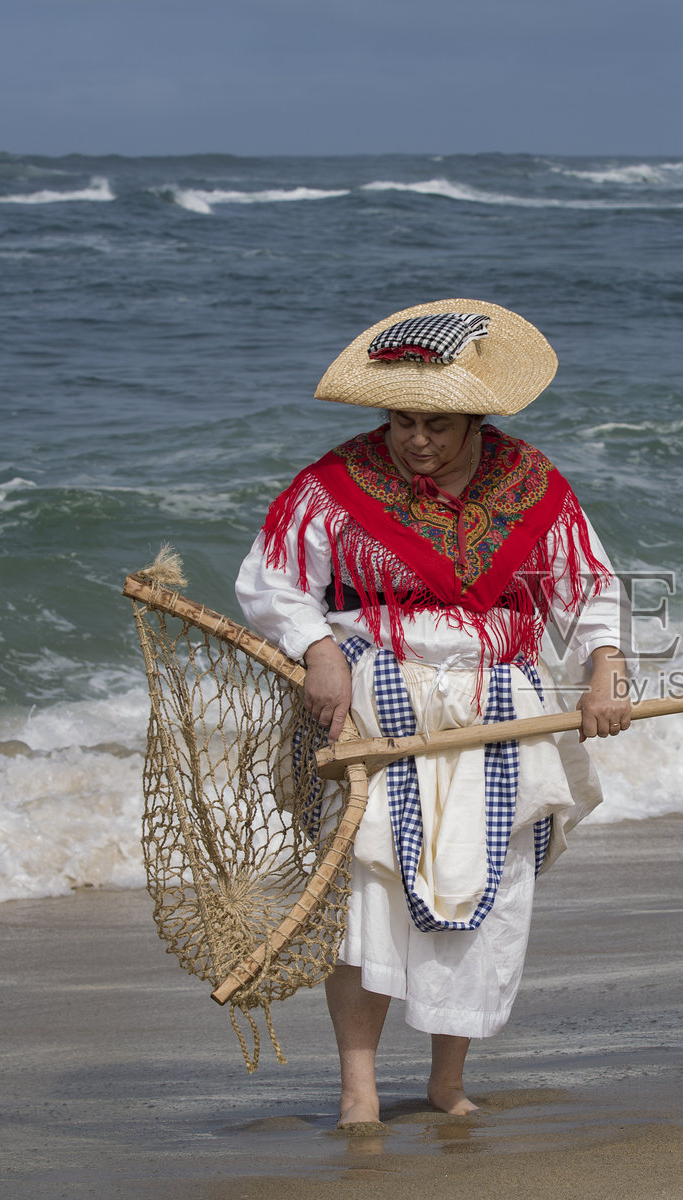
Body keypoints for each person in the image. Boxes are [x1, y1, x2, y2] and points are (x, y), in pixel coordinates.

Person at [236, 299, 631, 1117]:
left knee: (488, 889)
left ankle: (448, 1082)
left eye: (437, 424)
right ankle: (358, 1090)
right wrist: (317, 652)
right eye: (402, 419)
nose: (415, 439)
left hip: (499, 709)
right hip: (375, 708)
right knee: (366, 897)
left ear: (477, 417)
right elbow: (273, 586)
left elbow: (588, 588)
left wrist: (607, 671)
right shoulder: (334, 486)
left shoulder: (533, 486)